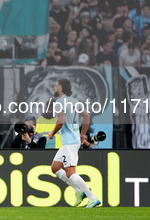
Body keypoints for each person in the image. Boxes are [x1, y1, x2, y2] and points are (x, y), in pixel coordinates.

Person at [48, 78, 100, 208]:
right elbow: (87, 116)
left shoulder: (59, 102)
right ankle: (78, 191)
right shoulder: (75, 101)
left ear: (61, 88)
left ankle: (92, 197)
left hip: (69, 143)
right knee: (55, 167)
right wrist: (82, 134)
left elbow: (60, 121)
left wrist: (52, 133)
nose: (54, 88)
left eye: (55, 85)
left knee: (70, 172)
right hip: (72, 140)